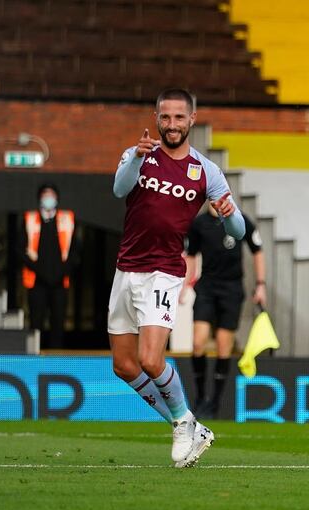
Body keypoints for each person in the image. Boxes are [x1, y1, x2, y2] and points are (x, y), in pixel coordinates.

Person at [110, 88, 245, 468]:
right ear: (156, 118)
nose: (171, 125)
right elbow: (119, 188)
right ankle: (186, 422)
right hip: (126, 269)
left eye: (179, 118)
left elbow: (239, 228)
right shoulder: (138, 155)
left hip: (164, 271)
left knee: (151, 359)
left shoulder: (206, 170)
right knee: (122, 365)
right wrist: (135, 159)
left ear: (192, 120)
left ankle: (184, 423)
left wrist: (228, 212)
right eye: (165, 117)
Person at [181, 206, 266, 418]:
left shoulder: (239, 220)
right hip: (207, 287)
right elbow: (190, 255)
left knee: (222, 345)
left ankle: (215, 403)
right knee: (198, 342)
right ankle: (200, 397)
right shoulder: (199, 223)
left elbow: (257, 250)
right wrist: (183, 284)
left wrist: (261, 284)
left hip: (232, 289)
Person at [19, 184, 77, 349]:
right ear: (39, 198)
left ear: (57, 199)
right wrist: (38, 269)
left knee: (58, 320)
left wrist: (62, 271)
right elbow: (20, 249)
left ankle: (56, 354)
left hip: (59, 280)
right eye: (45, 195)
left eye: (51, 195)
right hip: (37, 280)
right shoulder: (29, 219)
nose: (48, 198)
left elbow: (75, 251)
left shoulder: (68, 219)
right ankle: (35, 352)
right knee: (36, 319)